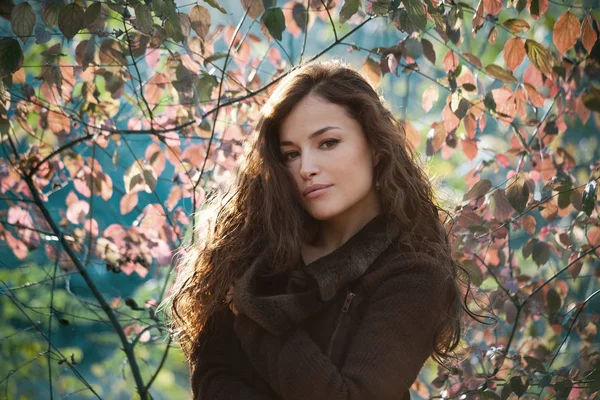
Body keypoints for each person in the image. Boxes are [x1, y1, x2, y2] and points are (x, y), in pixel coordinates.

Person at [164, 59, 473, 400]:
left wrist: (253, 316)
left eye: (327, 143)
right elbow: (213, 376)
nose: (306, 168)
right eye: (290, 155)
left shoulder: (415, 274)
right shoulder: (256, 250)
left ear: (374, 146)